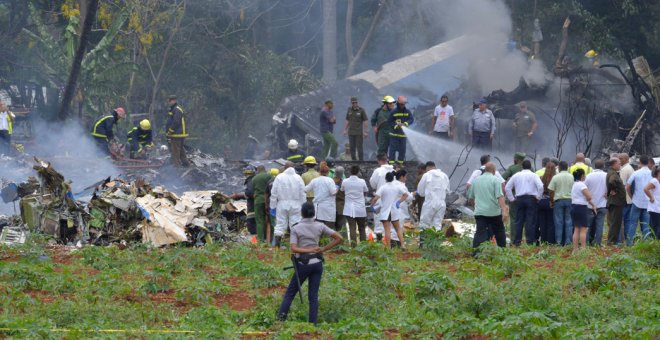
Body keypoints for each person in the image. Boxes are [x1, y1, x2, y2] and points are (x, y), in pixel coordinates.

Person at [277, 202, 343, 324]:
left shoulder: (296, 228)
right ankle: (313, 325)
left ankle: (280, 321)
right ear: (314, 213)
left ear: (301, 213)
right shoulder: (320, 226)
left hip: (303, 264)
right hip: (317, 263)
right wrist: (322, 249)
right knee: (313, 296)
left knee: (290, 293)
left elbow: (294, 248)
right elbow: (339, 238)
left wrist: (308, 250)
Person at [468, 162, 509, 250]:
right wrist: (504, 210)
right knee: (499, 231)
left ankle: (476, 253)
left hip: (480, 212)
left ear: (485, 170)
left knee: (480, 233)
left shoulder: (476, 180)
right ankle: (503, 251)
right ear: (494, 171)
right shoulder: (495, 180)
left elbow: (471, 198)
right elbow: (500, 196)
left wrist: (475, 206)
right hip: (494, 212)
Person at [505, 160, 544, 245]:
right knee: (530, 221)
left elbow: (507, 187)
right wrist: (538, 197)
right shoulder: (534, 175)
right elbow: (540, 186)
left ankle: (517, 241)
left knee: (519, 221)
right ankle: (530, 241)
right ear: (530, 167)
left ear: (522, 167)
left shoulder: (516, 175)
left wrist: (512, 199)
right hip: (531, 199)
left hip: (519, 199)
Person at [270, 161, 306, 248]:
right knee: (296, 224)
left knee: (280, 225)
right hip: (296, 204)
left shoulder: (279, 177)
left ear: (285, 168)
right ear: (293, 167)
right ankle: (296, 245)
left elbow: (273, 193)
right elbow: (303, 193)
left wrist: (273, 206)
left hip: (282, 204)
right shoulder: (298, 178)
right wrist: (303, 205)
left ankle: (276, 246)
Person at [371, 171, 409, 249]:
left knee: (387, 230)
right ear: (393, 178)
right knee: (398, 228)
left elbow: (376, 198)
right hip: (394, 210)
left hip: (385, 211)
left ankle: (388, 247)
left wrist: (372, 204)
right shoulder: (397, 187)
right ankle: (403, 245)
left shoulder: (383, 187)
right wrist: (399, 201)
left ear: (385, 179)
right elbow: (406, 195)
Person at [625, 156, 653, 244]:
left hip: (636, 201)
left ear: (640, 162)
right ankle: (646, 244)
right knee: (646, 224)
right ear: (648, 162)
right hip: (648, 202)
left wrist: (631, 196)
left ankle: (629, 243)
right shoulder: (652, 173)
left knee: (632, 223)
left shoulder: (636, 173)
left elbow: (628, 186)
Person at [417, 161, 450, 233]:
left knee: (424, 224)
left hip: (430, 203)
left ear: (427, 168)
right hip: (441, 203)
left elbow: (420, 192)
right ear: (435, 166)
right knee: (437, 225)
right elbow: (447, 190)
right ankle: (435, 243)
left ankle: (423, 243)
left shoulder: (426, 175)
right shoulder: (444, 176)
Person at [571, 168, 598, 253]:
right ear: (582, 176)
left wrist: (592, 204)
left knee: (576, 229)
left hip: (574, 207)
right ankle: (583, 248)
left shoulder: (575, 184)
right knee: (583, 229)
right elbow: (589, 196)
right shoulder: (582, 185)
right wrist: (590, 199)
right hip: (581, 208)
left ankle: (575, 249)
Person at [304, 162, 337, 229]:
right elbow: (333, 192)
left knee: (318, 228)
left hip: (318, 208)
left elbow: (305, 190)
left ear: (319, 172)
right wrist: (338, 188)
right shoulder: (330, 180)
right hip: (328, 208)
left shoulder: (315, 180)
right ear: (328, 172)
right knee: (327, 229)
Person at [548, 161, 574, 246]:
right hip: (569, 200)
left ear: (559, 167)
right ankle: (568, 241)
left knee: (558, 222)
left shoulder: (555, 177)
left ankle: (558, 242)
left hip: (558, 201)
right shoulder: (571, 177)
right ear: (567, 167)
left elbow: (551, 190)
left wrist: (551, 201)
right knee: (569, 221)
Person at [342, 165, 368, 246]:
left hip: (349, 209)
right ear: (358, 172)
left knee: (352, 228)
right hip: (360, 208)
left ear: (350, 171)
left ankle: (354, 247)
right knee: (362, 228)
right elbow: (365, 191)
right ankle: (364, 246)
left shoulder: (345, 181)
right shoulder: (362, 181)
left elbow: (342, 190)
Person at [369, 153, 394, 240]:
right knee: (391, 219)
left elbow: (373, 184)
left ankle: (380, 240)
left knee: (379, 219)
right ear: (387, 160)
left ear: (379, 161)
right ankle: (390, 241)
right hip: (392, 199)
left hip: (380, 198)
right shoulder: (394, 170)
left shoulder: (378, 171)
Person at [502, 152, 526, 241]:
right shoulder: (529, 168)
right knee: (526, 219)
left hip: (514, 197)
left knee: (513, 219)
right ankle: (527, 239)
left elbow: (502, 178)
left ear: (516, 159)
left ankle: (514, 239)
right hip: (527, 198)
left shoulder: (512, 168)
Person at [584, 159, 608, 246]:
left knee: (588, 225)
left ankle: (585, 243)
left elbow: (583, 189)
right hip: (602, 204)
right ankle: (598, 243)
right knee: (600, 225)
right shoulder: (607, 176)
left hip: (589, 204)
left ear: (594, 165)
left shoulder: (588, 176)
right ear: (604, 166)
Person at [231, 166, 257, 237]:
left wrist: (239, 196)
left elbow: (250, 192)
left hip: (253, 208)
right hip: (258, 207)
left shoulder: (250, 180)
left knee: (252, 226)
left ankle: (255, 243)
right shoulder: (255, 180)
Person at [388, 96, 414, 165]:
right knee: (392, 150)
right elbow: (389, 121)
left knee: (402, 150)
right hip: (394, 135)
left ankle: (400, 164)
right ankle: (391, 164)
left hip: (403, 135)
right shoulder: (393, 111)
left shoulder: (407, 111)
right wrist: (396, 126)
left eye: (404, 104)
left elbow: (411, 119)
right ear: (398, 103)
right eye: (401, 104)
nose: (403, 105)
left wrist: (405, 123)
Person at [165, 95, 189, 167]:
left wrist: (170, 131)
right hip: (179, 133)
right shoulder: (174, 109)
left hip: (177, 134)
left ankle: (177, 168)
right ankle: (185, 164)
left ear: (174, 100)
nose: (169, 103)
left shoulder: (177, 109)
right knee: (180, 149)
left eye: (169, 101)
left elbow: (176, 122)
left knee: (175, 151)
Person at [606, 157, 626, 245]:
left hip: (615, 201)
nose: (620, 164)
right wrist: (614, 189)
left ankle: (612, 241)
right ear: (614, 164)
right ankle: (611, 242)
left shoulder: (611, 172)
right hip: (616, 201)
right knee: (615, 223)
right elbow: (611, 182)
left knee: (614, 222)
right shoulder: (613, 174)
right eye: (618, 163)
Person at [251, 166, 273, 242]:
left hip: (258, 201)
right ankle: (271, 239)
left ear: (258, 170)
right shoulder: (269, 176)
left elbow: (252, 190)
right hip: (269, 201)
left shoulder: (254, 178)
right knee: (271, 221)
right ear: (265, 169)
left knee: (260, 221)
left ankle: (260, 240)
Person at [343, 96, 368, 160]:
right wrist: (345, 130)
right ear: (351, 103)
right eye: (353, 103)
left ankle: (361, 161)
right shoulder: (349, 110)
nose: (355, 104)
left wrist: (365, 131)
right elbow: (347, 120)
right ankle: (354, 161)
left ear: (357, 102)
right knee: (352, 147)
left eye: (356, 102)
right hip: (351, 132)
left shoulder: (361, 110)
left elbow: (365, 121)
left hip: (359, 132)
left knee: (359, 147)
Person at [538, 160, 556, 244]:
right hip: (551, 201)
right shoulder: (555, 178)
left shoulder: (541, 178)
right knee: (551, 222)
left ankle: (543, 240)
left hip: (541, 202)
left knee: (542, 222)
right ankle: (551, 240)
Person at [618, 153, 635, 241]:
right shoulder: (630, 168)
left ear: (627, 159)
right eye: (619, 158)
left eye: (621, 158)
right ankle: (628, 240)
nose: (619, 160)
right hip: (629, 199)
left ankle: (620, 241)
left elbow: (622, 185)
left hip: (624, 199)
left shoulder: (625, 169)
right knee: (628, 220)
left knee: (620, 220)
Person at [643, 166, 660, 239]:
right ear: (658, 173)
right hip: (654, 208)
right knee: (655, 227)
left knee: (657, 227)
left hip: (658, 208)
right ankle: (653, 242)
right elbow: (646, 189)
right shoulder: (654, 181)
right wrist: (651, 197)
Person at [265, 168, 280, 245]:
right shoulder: (280, 181)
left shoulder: (269, 182)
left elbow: (266, 195)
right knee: (279, 223)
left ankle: (271, 241)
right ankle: (277, 241)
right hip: (280, 204)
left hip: (272, 205)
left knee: (272, 223)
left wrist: (266, 205)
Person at [333, 166, 347, 234]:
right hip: (341, 207)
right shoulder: (344, 183)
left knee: (332, 228)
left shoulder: (331, 181)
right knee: (341, 229)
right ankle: (342, 243)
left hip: (331, 207)